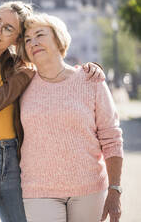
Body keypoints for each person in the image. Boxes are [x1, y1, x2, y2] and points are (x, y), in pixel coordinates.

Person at [0, 1, 104, 222]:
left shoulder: (17, 64)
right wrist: (20, 80)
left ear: (17, 39)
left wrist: (88, 70)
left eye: (8, 28)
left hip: (16, 161)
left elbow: (54, 69)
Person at [20, 13, 123, 222]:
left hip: (89, 188)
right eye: (27, 39)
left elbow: (111, 137)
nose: (33, 42)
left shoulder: (91, 80)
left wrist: (115, 190)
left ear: (58, 39)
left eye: (39, 35)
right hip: (38, 190)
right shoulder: (21, 84)